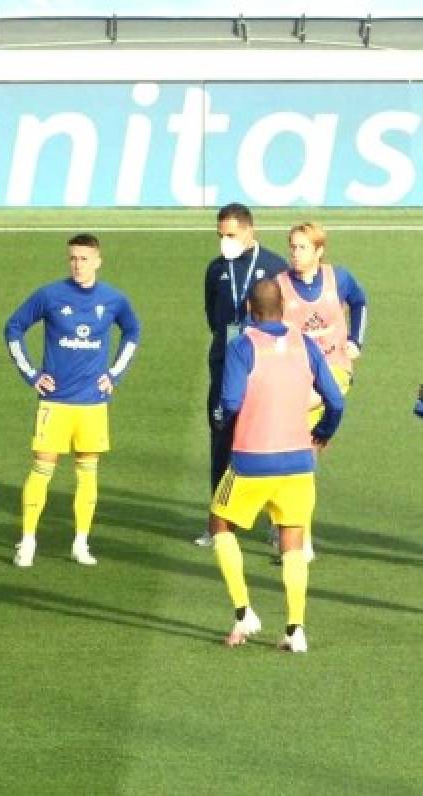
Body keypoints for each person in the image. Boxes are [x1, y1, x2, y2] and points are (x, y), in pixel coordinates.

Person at [207, 278, 343, 654]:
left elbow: (231, 402)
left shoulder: (243, 346)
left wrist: (220, 420)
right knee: (293, 540)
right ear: (283, 306)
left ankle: (243, 612)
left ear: (250, 309)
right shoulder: (307, 344)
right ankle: (295, 629)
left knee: (219, 523)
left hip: (252, 460)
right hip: (299, 461)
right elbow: (336, 400)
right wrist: (323, 432)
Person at [4, 234, 141, 568]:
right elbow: (13, 327)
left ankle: (81, 541)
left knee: (87, 473)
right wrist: (32, 375)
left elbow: (133, 332)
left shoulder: (113, 299)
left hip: (93, 403)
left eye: (84, 258)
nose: (77, 265)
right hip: (56, 401)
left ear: (98, 260)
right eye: (73, 259)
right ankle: (28, 540)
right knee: (41, 468)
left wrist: (114, 375)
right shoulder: (50, 295)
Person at [196, 203, 288, 547]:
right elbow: (211, 315)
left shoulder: (275, 267)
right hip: (223, 365)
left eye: (231, 235)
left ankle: (279, 524)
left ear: (251, 230)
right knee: (221, 440)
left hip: (265, 370)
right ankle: (218, 525)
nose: (225, 242)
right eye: (221, 236)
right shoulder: (216, 269)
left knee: (271, 442)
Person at [277, 222, 367, 562]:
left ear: (319, 251)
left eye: (302, 247)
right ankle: (293, 531)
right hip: (297, 375)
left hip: (334, 371)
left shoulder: (338, 278)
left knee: (304, 457)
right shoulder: (280, 286)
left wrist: (355, 340)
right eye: (292, 247)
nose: (295, 254)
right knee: (301, 462)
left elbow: (360, 301)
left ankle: (296, 534)